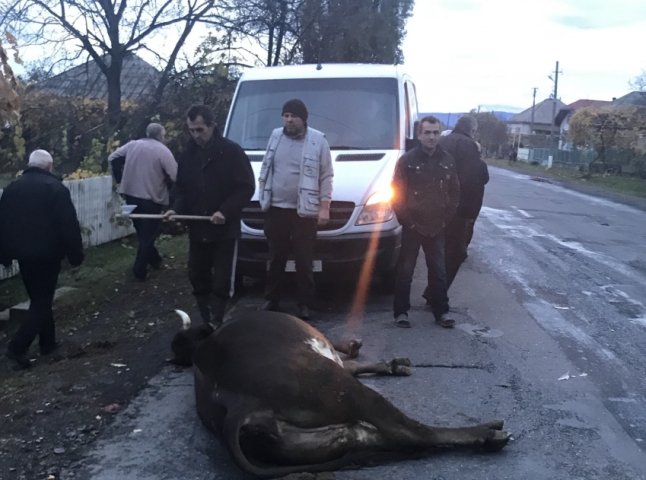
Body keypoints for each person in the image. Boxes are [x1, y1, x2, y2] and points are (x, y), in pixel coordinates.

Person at [164, 105, 254, 326]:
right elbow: (182, 189)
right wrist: (176, 210)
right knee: (197, 275)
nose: (196, 135)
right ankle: (206, 319)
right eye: (191, 130)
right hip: (198, 228)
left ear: (212, 126)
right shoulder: (188, 155)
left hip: (224, 230)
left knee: (222, 280)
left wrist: (225, 210)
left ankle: (217, 319)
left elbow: (245, 187)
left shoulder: (231, 152)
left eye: (200, 130)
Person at [0, 150, 84, 369]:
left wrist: (5, 253)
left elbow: (3, 223)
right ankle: (17, 347)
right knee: (42, 301)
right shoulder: (55, 189)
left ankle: (48, 343)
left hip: (23, 255)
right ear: (49, 166)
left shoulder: (12, 188)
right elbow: (68, 225)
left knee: (38, 297)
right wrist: (76, 254)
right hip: (48, 254)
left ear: (29, 165)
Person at [257, 99, 333, 320]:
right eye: (286, 115)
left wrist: (325, 207)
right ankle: (272, 299)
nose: (289, 120)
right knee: (276, 257)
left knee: (303, 258)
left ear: (303, 119)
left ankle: (305, 303)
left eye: (293, 116)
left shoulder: (317, 140)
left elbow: (326, 175)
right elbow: (267, 166)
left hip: (305, 211)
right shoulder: (275, 136)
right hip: (276, 209)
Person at [391, 116, 459, 329]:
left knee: (439, 272)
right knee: (405, 272)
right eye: (427, 132)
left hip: (437, 226)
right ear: (419, 135)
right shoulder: (407, 161)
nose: (431, 137)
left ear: (440, 134)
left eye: (436, 132)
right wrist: (408, 222)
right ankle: (401, 312)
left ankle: (442, 312)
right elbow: (396, 195)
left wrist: (445, 220)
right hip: (413, 226)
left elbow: (455, 193)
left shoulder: (447, 160)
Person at [422, 115, 489, 295]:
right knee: (456, 253)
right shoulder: (469, 147)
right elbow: (473, 180)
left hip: (432, 205)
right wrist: (470, 212)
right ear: (471, 130)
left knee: (436, 249)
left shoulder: (441, 141)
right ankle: (435, 293)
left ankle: (433, 291)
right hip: (455, 209)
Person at [108, 123, 178, 280]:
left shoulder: (133, 145)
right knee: (148, 235)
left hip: (130, 197)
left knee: (142, 232)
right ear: (161, 135)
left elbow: (112, 158)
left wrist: (120, 180)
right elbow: (175, 175)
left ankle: (156, 260)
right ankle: (139, 270)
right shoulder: (163, 151)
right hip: (151, 199)